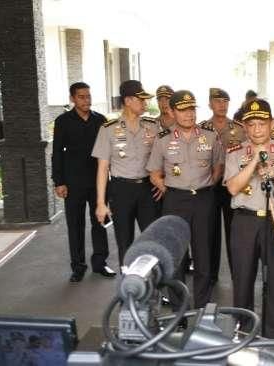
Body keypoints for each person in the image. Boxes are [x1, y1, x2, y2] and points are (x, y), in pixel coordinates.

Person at [224, 98, 274, 339]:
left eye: (262, 123)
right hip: (245, 222)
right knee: (243, 276)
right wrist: (256, 160)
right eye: (252, 124)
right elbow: (233, 188)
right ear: (245, 127)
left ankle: (273, 329)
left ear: (271, 124)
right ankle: (244, 328)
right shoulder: (235, 153)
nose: (257, 129)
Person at [147, 90, 224, 309]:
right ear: (172, 111)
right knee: (176, 256)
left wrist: (207, 184)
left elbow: (218, 167)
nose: (189, 114)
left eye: (191, 109)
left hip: (204, 200)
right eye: (183, 110)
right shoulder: (163, 140)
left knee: (204, 256)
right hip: (175, 201)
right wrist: (170, 189)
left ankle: (202, 308)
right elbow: (154, 173)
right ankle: (178, 309)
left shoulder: (210, 137)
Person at [92, 80, 160, 267]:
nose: (145, 104)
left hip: (148, 189)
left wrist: (161, 182)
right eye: (142, 100)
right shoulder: (108, 129)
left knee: (152, 241)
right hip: (121, 190)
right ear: (128, 100)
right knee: (125, 242)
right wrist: (100, 203)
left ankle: (155, 290)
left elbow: (162, 159)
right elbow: (102, 168)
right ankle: (129, 290)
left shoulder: (152, 126)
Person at [52, 82, 113, 282]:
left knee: (100, 222)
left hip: (98, 181)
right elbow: (57, 154)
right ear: (72, 99)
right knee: (75, 225)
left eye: (88, 96)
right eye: (81, 97)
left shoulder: (100, 120)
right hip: (73, 182)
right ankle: (78, 267)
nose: (86, 100)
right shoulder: (63, 121)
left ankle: (100, 263)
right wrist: (59, 181)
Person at [199, 88, 246, 284]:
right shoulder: (201, 128)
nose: (222, 105)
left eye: (225, 101)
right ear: (210, 104)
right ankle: (210, 274)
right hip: (208, 185)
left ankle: (237, 273)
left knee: (233, 232)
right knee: (209, 231)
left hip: (231, 185)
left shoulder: (239, 128)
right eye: (217, 101)